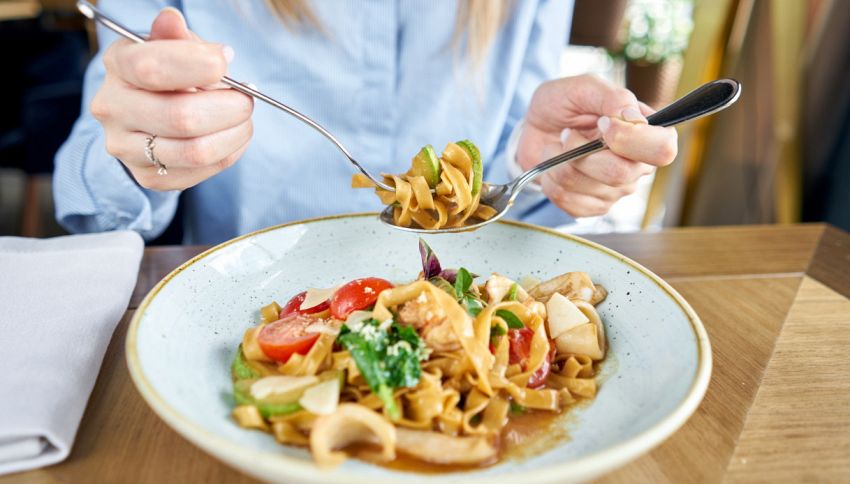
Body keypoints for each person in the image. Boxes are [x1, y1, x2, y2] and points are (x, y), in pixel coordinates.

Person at [54, 0, 677, 244]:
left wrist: (542, 166)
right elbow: (91, 202)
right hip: (239, 297)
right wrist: (140, 152)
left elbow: (518, 185)